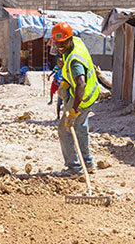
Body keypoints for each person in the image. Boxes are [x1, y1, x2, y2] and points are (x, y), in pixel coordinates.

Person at [52, 22, 100, 177]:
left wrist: (73, 111)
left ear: (69, 39)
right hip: (88, 93)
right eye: (58, 44)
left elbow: (81, 84)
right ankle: (88, 163)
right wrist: (65, 78)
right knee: (80, 127)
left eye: (63, 43)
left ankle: (74, 168)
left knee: (65, 129)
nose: (60, 47)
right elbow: (69, 60)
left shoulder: (75, 62)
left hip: (82, 97)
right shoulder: (76, 42)